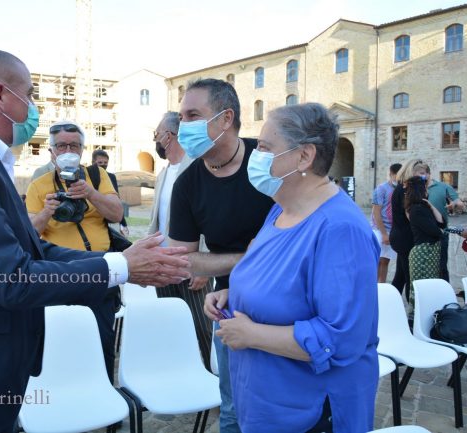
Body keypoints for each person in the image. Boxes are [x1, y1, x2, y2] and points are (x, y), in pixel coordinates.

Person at [0, 47, 189, 433]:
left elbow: (32, 248)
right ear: (1, 95)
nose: (33, 108)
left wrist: (121, 263)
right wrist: (121, 267)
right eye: (29, 95)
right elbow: (10, 277)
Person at [209, 103, 379, 433]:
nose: (255, 156)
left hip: (309, 413)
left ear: (304, 157)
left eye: (264, 147)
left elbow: (341, 339)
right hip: (264, 402)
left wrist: (252, 334)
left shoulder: (339, 229)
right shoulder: (280, 209)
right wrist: (233, 293)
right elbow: (277, 278)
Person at [169, 78, 274, 433]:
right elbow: (183, 260)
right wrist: (246, 258)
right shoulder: (187, 185)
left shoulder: (267, 161)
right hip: (230, 303)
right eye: (181, 118)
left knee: (288, 401)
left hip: (289, 300)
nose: (183, 126)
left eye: (192, 115)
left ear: (226, 118)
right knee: (233, 407)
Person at [26, 120, 124, 382]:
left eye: (74, 145)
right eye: (61, 146)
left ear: (82, 149)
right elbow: (28, 236)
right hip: (62, 274)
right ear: (51, 151)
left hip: (102, 271)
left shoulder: (96, 176)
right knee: (63, 341)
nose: (67, 150)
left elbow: (116, 214)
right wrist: (47, 211)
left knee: (102, 339)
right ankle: (66, 391)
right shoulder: (39, 186)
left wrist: (91, 193)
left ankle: (104, 392)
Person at [149, 111, 213, 369]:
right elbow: (156, 220)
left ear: (169, 136)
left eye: (157, 134)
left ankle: (213, 378)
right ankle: (177, 373)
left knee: (203, 327)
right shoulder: (163, 175)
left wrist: (205, 265)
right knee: (170, 326)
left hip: (191, 266)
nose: (155, 139)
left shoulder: (198, 168)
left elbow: (209, 217)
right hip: (164, 265)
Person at [389, 159, 430, 300]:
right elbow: (412, 215)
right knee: (410, 277)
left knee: (401, 276)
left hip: (401, 236)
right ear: (411, 172)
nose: (425, 176)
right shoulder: (406, 190)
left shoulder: (403, 188)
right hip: (405, 237)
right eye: (422, 173)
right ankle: (413, 308)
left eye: (425, 173)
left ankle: (388, 303)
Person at [406, 176, 445, 306]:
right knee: (423, 290)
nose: (428, 191)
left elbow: (442, 223)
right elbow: (435, 231)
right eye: (426, 188)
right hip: (423, 254)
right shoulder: (416, 209)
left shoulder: (424, 207)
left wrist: (431, 206)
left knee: (429, 289)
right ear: (421, 190)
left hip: (429, 253)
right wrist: (441, 231)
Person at [426, 168, 464, 282]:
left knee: (441, 265)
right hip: (419, 232)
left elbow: (460, 203)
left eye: (423, 173)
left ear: (429, 173)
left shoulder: (443, 186)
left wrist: (454, 204)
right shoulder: (414, 187)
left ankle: (445, 289)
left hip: (440, 232)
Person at [370, 163, 402, 283]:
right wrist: (383, 234)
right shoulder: (381, 188)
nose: (399, 179)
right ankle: (374, 288)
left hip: (393, 229)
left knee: (385, 260)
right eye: (397, 176)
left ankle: (382, 286)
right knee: (377, 260)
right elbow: (376, 212)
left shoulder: (401, 188)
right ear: (391, 174)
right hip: (379, 229)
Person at [91, 148, 129, 237]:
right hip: (93, 218)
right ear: (93, 162)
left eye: (105, 163)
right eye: (100, 162)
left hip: (110, 217)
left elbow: (117, 199)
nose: (103, 165)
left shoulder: (111, 177)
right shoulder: (87, 176)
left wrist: (122, 223)